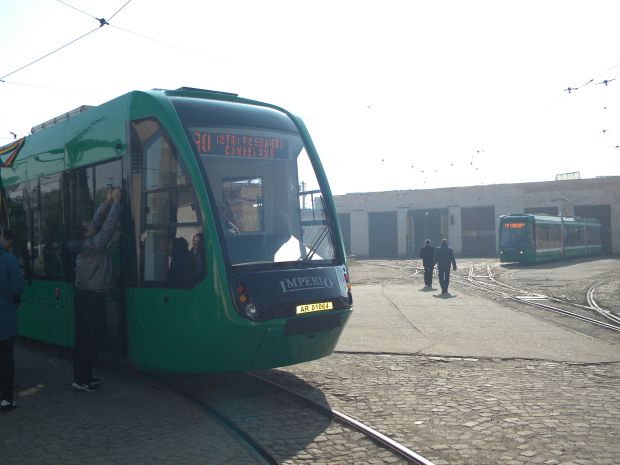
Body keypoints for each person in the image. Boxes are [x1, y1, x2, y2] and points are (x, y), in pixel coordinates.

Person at [67, 187, 121, 392]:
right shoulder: (94, 245)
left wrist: (106, 202)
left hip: (84, 296)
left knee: (84, 338)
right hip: (92, 298)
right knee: (92, 339)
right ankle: (83, 380)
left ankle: (82, 377)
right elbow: (107, 228)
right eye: (88, 226)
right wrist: (116, 203)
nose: (91, 225)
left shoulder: (85, 243)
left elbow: (98, 222)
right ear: (86, 233)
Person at [0, 229, 24, 412]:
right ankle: (6, 399)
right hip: (4, 318)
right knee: (6, 359)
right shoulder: (8, 260)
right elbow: (16, 288)